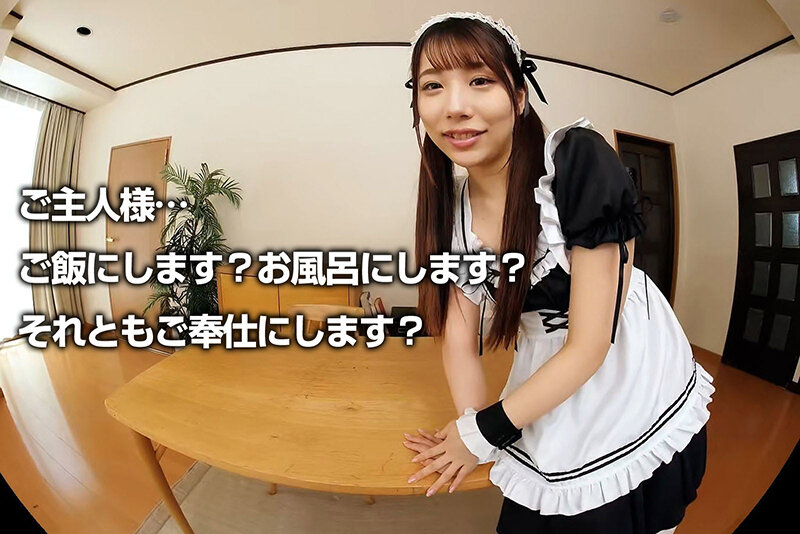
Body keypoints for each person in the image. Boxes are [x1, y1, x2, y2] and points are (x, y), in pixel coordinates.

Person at [400, 12, 714, 534]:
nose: (455, 106)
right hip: (548, 369)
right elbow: (458, 338)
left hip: (627, 367)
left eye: (480, 80)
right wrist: (472, 427)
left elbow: (590, 346)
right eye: (433, 86)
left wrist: (482, 434)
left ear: (520, 96)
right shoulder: (449, 209)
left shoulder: (575, 162)